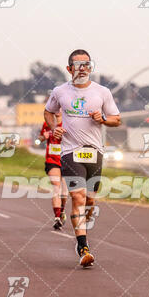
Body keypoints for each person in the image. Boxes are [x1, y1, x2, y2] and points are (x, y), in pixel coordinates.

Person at [44, 49, 121, 268]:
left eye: (87, 64)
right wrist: (54, 128)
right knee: (77, 197)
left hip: (94, 152)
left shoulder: (102, 92)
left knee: (89, 200)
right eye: (78, 65)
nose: (83, 68)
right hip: (70, 152)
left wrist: (104, 119)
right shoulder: (60, 91)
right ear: (69, 69)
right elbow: (48, 111)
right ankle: (82, 246)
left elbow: (117, 119)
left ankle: (82, 229)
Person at [38, 112, 68, 230]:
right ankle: (56, 217)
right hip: (52, 160)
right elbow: (39, 139)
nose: (57, 110)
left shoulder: (68, 124)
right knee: (56, 186)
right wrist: (43, 137)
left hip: (66, 160)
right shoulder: (47, 124)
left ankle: (61, 211)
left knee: (65, 190)